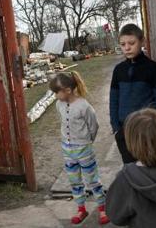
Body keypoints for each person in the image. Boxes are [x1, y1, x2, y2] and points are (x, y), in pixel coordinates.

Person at [49, 71, 110, 225]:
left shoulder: (84, 106)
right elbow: (63, 123)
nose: (55, 95)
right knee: (75, 182)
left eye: (57, 92)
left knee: (92, 180)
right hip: (68, 151)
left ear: (68, 90)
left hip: (84, 150)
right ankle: (81, 209)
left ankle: (102, 208)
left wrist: (87, 141)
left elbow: (93, 126)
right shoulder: (59, 104)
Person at [109, 23, 156, 164]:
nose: (127, 47)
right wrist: (116, 128)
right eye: (123, 44)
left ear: (142, 41)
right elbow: (113, 100)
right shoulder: (118, 70)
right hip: (124, 130)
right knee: (130, 169)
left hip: (147, 130)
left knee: (150, 168)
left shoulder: (153, 68)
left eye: (131, 43)